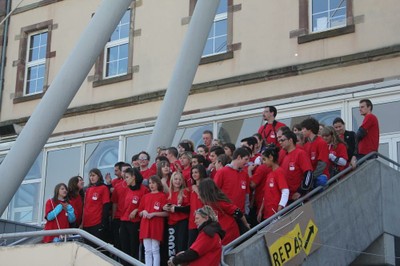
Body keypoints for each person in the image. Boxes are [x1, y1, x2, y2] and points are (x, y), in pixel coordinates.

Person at [198, 179, 249, 245]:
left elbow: (237, 212)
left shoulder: (218, 203)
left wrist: (246, 224)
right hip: (221, 235)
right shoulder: (208, 204)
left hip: (229, 234)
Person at [119, 167, 148, 263]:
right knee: (124, 247)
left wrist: (136, 210)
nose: (125, 179)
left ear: (133, 177)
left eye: (127, 177)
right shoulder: (126, 189)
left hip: (135, 223)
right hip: (124, 221)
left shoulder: (144, 190)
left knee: (134, 248)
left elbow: (147, 205)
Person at [139, 175, 168, 266]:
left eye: (153, 183)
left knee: (155, 248)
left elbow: (166, 213)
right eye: (150, 183)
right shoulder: (145, 196)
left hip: (156, 225)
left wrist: (154, 214)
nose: (151, 185)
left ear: (158, 184)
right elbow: (139, 212)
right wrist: (143, 212)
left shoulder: (163, 196)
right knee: (147, 250)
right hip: (145, 225)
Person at [214, 147, 250, 214]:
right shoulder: (222, 172)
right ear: (239, 157)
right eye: (246, 159)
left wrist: (246, 212)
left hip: (240, 215)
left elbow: (246, 195)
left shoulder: (245, 174)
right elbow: (214, 193)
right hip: (225, 213)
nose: (247, 162)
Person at [257, 145, 289, 221]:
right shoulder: (270, 174)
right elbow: (266, 194)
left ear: (271, 157)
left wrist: (280, 208)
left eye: (264, 159)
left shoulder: (279, 172)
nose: (263, 162)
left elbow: (285, 191)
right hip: (268, 214)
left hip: (276, 214)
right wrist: (261, 211)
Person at [279, 131, 313, 201]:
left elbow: (308, 172)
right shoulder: (285, 156)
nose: (280, 142)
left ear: (290, 140)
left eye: (282, 140)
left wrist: (301, 191)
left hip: (298, 198)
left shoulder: (300, 153)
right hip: (287, 197)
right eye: (279, 140)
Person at [163, 172, 190, 257]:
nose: (177, 181)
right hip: (171, 223)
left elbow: (189, 208)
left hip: (182, 222)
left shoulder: (185, 192)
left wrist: (176, 208)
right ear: (172, 180)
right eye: (175, 179)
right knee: (172, 248)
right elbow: (163, 206)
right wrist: (164, 207)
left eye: (180, 179)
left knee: (181, 246)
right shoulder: (168, 194)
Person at [82, 168, 111, 242]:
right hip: (87, 223)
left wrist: (103, 223)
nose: (91, 177)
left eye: (93, 175)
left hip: (97, 222)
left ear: (99, 176)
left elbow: (106, 205)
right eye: (90, 176)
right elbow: (85, 207)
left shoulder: (103, 188)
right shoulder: (88, 189)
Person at [301, 118, 330, 186]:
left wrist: (311, 177)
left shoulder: (321, 143)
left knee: (320, 181)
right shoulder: (306, 145)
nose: (302, 131)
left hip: (321, 176)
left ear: (309, 129)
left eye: (303, 129)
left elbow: (322, 164)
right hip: (311, 176)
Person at [187, 165, 207, 246]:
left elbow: (207, 201)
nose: (194, 174)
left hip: (204, 219)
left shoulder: (205, 186)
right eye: (192, 173)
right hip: (193, 220)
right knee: (191, 244)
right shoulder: (191, 187)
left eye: (196, 172)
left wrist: (197, 191)